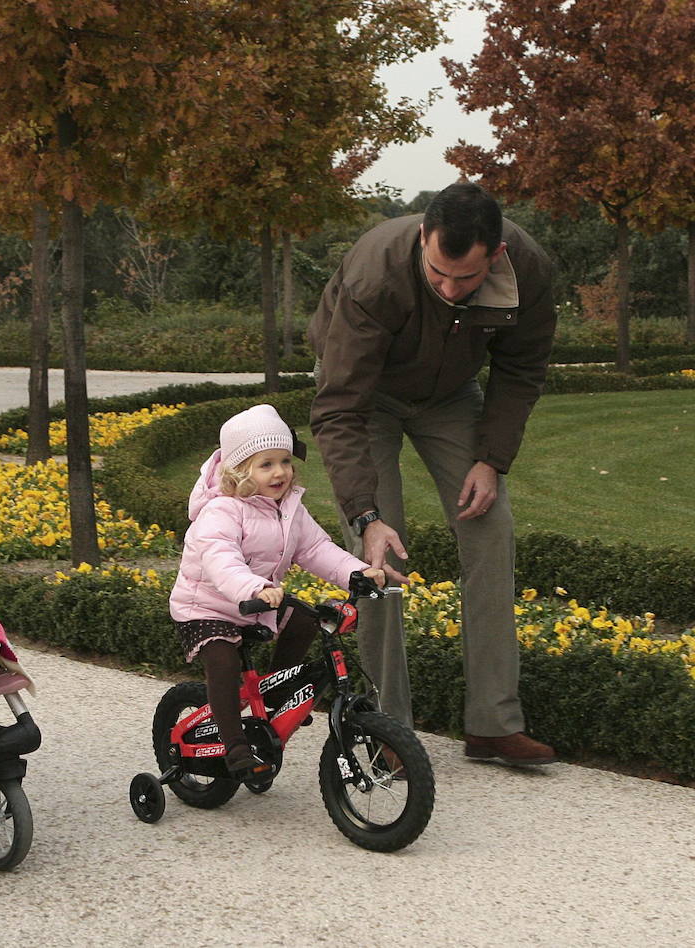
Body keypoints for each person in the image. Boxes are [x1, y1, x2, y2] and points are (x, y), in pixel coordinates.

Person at [308, 180, 558, 766]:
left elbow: (521, 371)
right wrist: (365, 516)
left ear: (495, 255)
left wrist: (492, 459)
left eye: (465, 280)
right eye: (438, 273)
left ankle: (493, 724)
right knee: (379, 559)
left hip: (450, 397)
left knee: (491, 531)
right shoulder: (376, 273)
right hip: (365, 398)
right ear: (424, 236)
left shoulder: (528, 270)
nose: (449, 289)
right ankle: (384, 726)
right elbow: (339, 406)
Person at [169, 404, 386, 777]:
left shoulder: (289, 508)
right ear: (240, 470)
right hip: (206, 608)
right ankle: (235, 747)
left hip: (255, 602)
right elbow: (221, 560)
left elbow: (316, 549)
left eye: (285, 461)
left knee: (305, 618)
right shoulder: (221, 511)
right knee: (223, 663)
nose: (280, 472)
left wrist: (358, 572)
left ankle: (277, 695)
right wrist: (255, 586)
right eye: (266, 464)